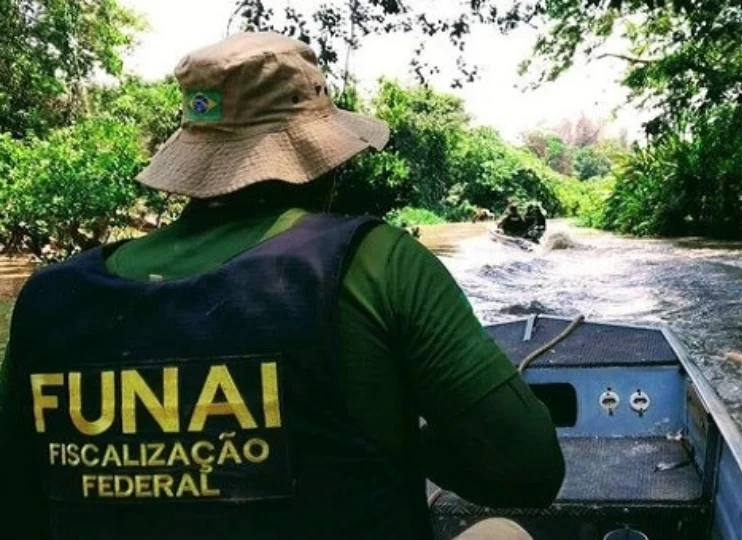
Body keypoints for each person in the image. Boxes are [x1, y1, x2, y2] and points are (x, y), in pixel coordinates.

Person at [0, 32, 563, 540]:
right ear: (325, 160)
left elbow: (20, 509)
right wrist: (390, 441)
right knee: (500, 535)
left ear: (194, 168)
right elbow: (529, 468)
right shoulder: (377, 262)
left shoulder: (49, 298)